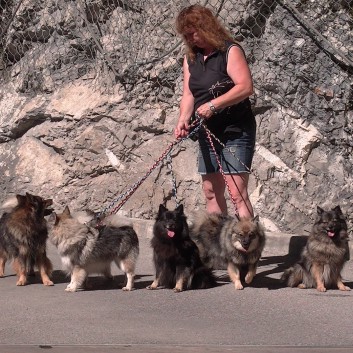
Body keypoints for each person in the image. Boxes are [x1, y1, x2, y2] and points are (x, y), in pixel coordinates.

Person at [174, 4, 256, 218]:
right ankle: (216, 246)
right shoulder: (191, 58)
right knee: (210, 191)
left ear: (206, 27)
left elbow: (245, 87)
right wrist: (183, 119)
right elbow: (189, 94)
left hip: (235, 130)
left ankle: (247, 248)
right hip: (207, 132)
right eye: (187, 36)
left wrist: (213, 105)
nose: (191, 39)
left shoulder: (230, 51)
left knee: (237, 192)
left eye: (193, 34)